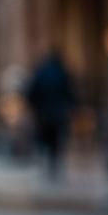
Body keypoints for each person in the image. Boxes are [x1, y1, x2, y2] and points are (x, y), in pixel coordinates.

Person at [26, 49, 74, 177]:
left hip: (44, 113)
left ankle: (47, 163)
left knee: (46, 137)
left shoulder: (41, 72)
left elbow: (32, 92)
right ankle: (54, 163)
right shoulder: (61, 72)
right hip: (58, 111)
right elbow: (69, 91)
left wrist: (35, 107)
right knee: (56, 138)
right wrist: (71, 105)